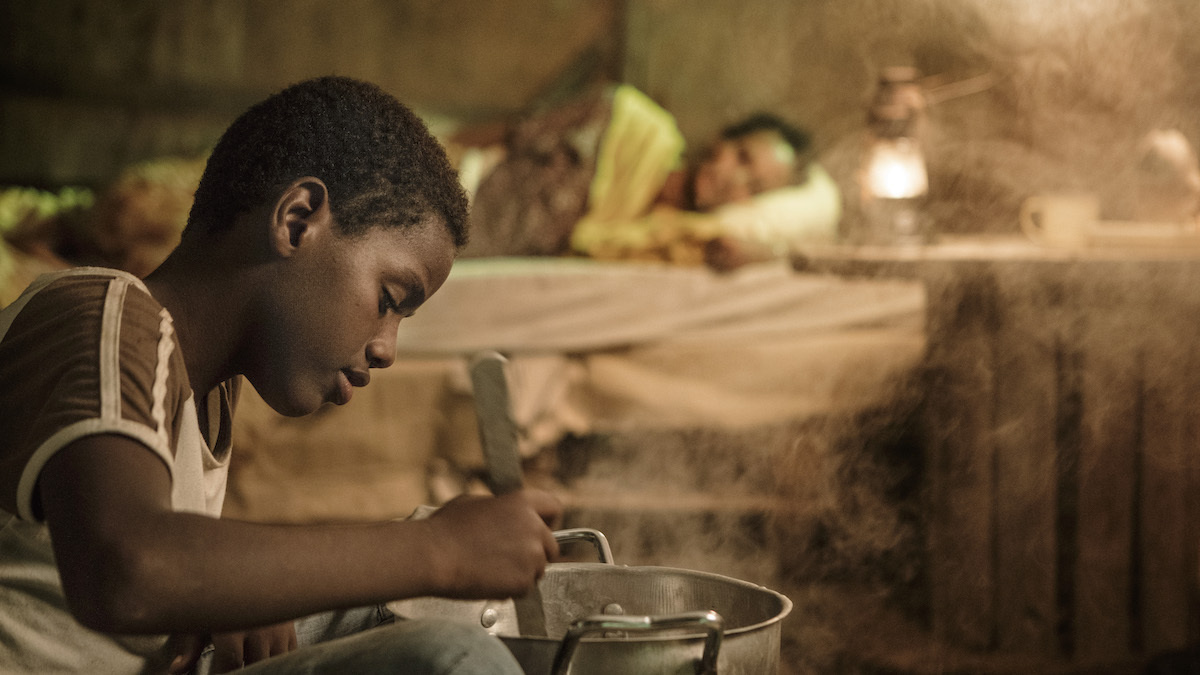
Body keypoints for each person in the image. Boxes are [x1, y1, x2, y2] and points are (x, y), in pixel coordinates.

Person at [0, 76, 560, 674]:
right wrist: (440, 549)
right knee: (451, 655)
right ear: (296, 221)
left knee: (421, 609)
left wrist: (227, 589)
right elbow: (127, 569)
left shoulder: (208, 394)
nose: (387, 350)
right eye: (389, 298)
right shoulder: (101, 315)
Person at [462, 84, 840, 269]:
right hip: (459, 191)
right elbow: (511, 132)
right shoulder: (625, 120)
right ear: (720, 141)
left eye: (753, 187)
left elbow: (740, 250)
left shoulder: (667, 241)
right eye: (741, 157)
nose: (734, 181)